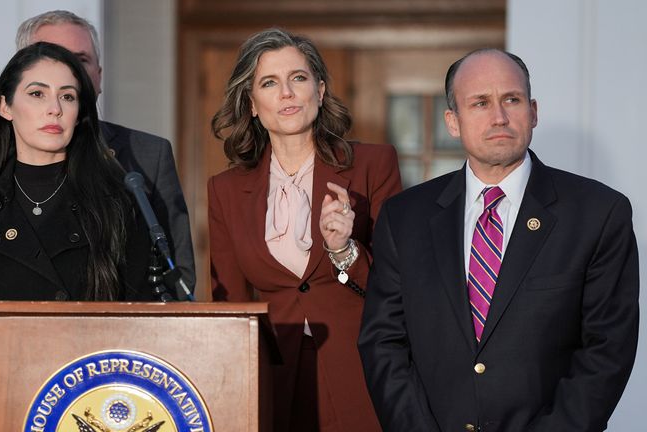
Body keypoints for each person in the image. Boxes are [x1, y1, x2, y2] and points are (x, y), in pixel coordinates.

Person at [358, 48, 639, 432]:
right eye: (480, 103)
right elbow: (383, 343)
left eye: (512, 99)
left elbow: (607, 352)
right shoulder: (404, 217)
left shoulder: (599, 213)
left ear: (534, 111)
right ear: (452, 122)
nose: (499, 117)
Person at [0, 42, 155, 432]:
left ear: (80, 113)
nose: (53, 108)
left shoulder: (119, 203)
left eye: (67, 97)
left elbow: (143, 321)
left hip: (86, 408)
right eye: (37, 93)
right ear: (6, 106)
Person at [208, 28, 402, 431]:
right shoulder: (225, 190)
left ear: (321, 89)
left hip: (361, 371)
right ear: (252, 105)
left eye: (298, 78)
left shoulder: (373, 165)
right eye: (269, 83)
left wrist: (344, 250)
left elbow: (397, 288)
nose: (287, 93)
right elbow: (229, 305)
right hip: (271, 378)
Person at [0, 10, 195, 294]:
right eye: (52, 57)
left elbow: (176, 272)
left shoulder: (148, 156)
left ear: (99, 77)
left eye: (80, 60)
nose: (67, 71)